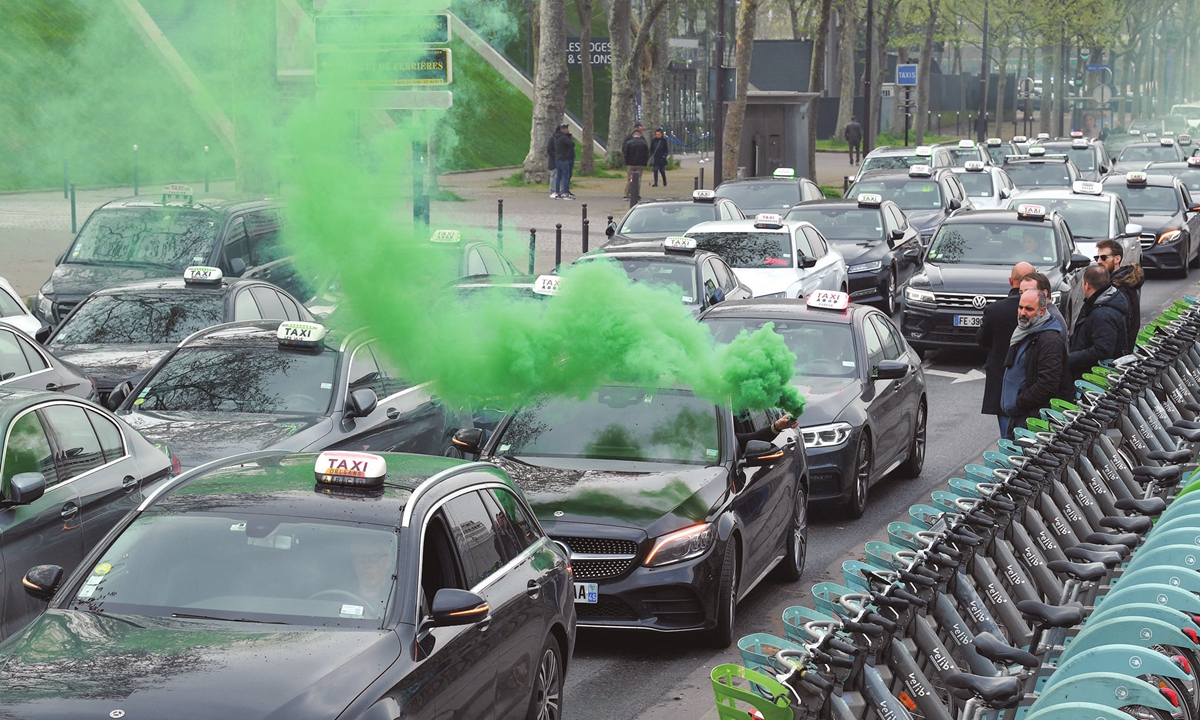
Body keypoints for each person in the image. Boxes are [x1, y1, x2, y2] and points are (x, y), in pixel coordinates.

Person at [1000, 289, 1071, 438]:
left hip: (1033, 421)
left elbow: (1048, 385)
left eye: (1029, 309)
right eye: (1021, 307)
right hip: (1020, 417)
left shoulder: (1050, 340)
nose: (1023, 313)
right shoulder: (1025, 331)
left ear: (1042, 310)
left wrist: (1018, 403)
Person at [978, 262, 1034, 437]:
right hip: (1031, 380)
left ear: (1011, 280)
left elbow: (982, 340)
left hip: (1001, 378)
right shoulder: (1040, 310)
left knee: (1006, 433)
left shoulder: (994, 310)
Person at [1068, 265, 1129, 376]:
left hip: (1093, 377)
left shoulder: (1103, 314)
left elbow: (1102, 351)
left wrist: (1070, 358)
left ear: (1087, 285)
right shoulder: (1102, 303)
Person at [1095, 238, 1143, 355]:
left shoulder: (1119, 289)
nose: (1099, 261)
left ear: (1117, 259)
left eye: (1104, 257)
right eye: (1097, 258)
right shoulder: (1119, 283)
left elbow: (1123, 325)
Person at [350, 538, 396, 618]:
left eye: (375, 557)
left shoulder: (399, 601)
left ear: (388, 561)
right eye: (360, 557)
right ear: (353, 562)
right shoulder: (337, 597)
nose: (366, 565)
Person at [1018, 272, 1068, 343]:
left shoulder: (1050, 319)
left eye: (1028, 291)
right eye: (1021, 293)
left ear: (1044, 294)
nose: (1023, 296)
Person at [624, 130, 651, 198]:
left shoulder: (629, 143)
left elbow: (626, 153)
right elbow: (647, 154)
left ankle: (627, 193)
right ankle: (636, 194)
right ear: (640, 135)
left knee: (630, 179)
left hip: (631, 164)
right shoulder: (644, 143)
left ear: (633, 135)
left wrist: (627, 162)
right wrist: (645, 163)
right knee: (638, 179)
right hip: (640, 164)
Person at [553, 124, 576, 200]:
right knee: (566, 176)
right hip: (563, 158)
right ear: (565, 130)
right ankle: (565, 193)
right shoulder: (564, 138)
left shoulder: (556, 137)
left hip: (557, 158)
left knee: (558, 177)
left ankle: (557, 192)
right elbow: (572, 144)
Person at [546, 126, 561, 199]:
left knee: (560, 176)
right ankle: (552, 191)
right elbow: (549, 149)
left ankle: (560, 191)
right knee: (554, 175)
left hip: (561, 159)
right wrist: (555, 156)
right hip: (554, 160)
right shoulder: (552, 139)